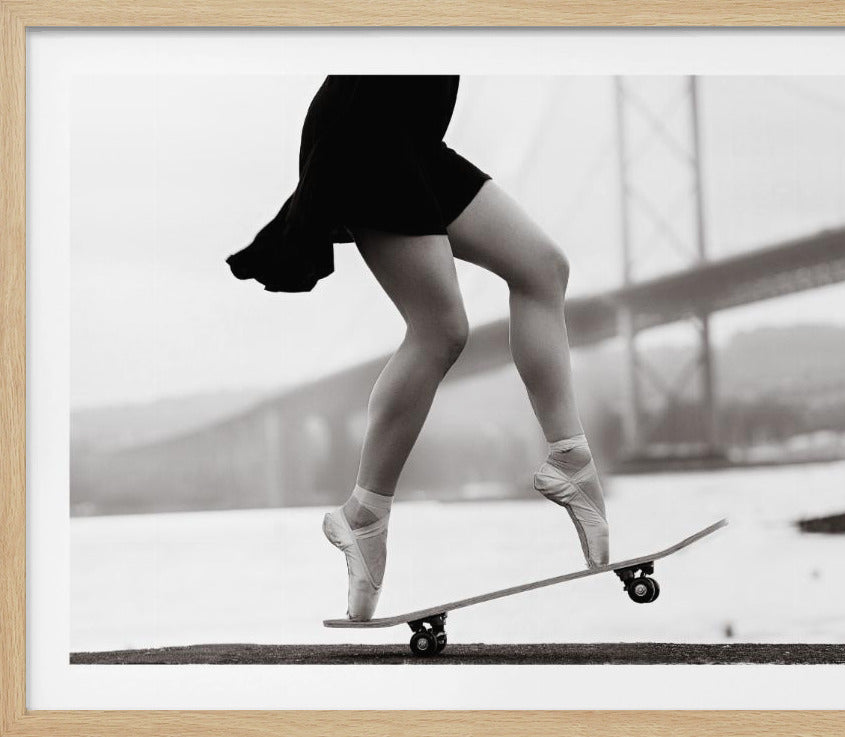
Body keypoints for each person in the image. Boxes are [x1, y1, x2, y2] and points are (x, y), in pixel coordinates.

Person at [226, 75, 609, 621]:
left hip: (414, 138)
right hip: (364, 130)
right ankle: (365, 517)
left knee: (543, 269)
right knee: (440, 330)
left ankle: (570, 460)